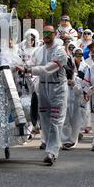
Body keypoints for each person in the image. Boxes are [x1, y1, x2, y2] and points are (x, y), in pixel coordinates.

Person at [16, 25, 68, 165]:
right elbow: (28, 63)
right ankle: (48, 145)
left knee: (56, 121)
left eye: (49, 33)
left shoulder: (60, 51)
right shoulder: (38, 51)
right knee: (44, 121)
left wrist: (27, 70)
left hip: (57, 89)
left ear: (54, 34)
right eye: (44, 32)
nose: (46, 35)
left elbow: (47, 69)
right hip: (42, 88)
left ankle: (52, 153)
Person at [61, 47, 88, 150]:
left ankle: (72, 140)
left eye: (81, 55)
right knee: (65, 119)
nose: (78, 56)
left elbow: (84, 84)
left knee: (76, 120)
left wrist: (75, 85)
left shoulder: (85, 68)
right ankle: (65, 140)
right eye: (76, 54)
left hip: (77, 97)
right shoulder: (66, 67)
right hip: (66, 96)